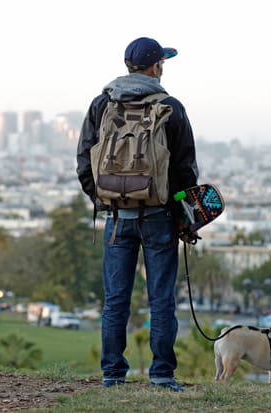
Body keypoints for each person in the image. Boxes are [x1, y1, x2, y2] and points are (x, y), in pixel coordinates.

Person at [76, 37, 199, 392]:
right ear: (156, 66)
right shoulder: (171, 107)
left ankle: (112, 374)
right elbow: (185, 171)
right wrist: (183, 218)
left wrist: (104, 200)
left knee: (116, 299)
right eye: (162, 62)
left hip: (117, 219)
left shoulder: (103, 103)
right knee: (160, 298)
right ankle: (162, 374)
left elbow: (85, 161)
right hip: (159, 216)